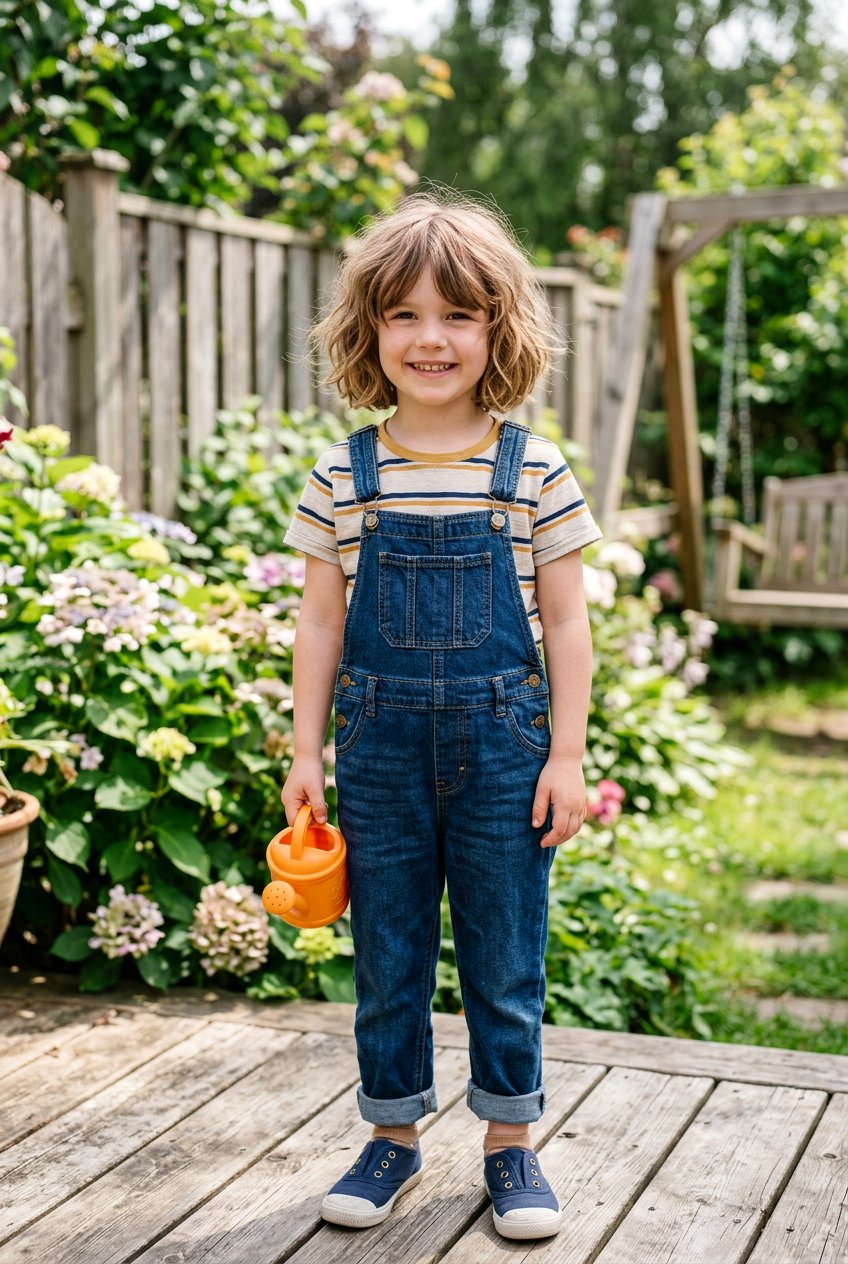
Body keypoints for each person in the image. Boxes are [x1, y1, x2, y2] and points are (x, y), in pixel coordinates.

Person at [281, 188, 601, 1241]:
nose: (430, 338)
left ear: (495, 328)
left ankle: (511, 1146)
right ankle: (391, 1136)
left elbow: (562, 627)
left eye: (457, 314)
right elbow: (322, 624)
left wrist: (565, 754)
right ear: (369, 330)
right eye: (405, 314)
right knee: (388, 954)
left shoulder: (533, 471)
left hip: (505, 748)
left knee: (505, 954)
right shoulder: (346, 473)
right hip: (374, 750)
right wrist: (304, 751)